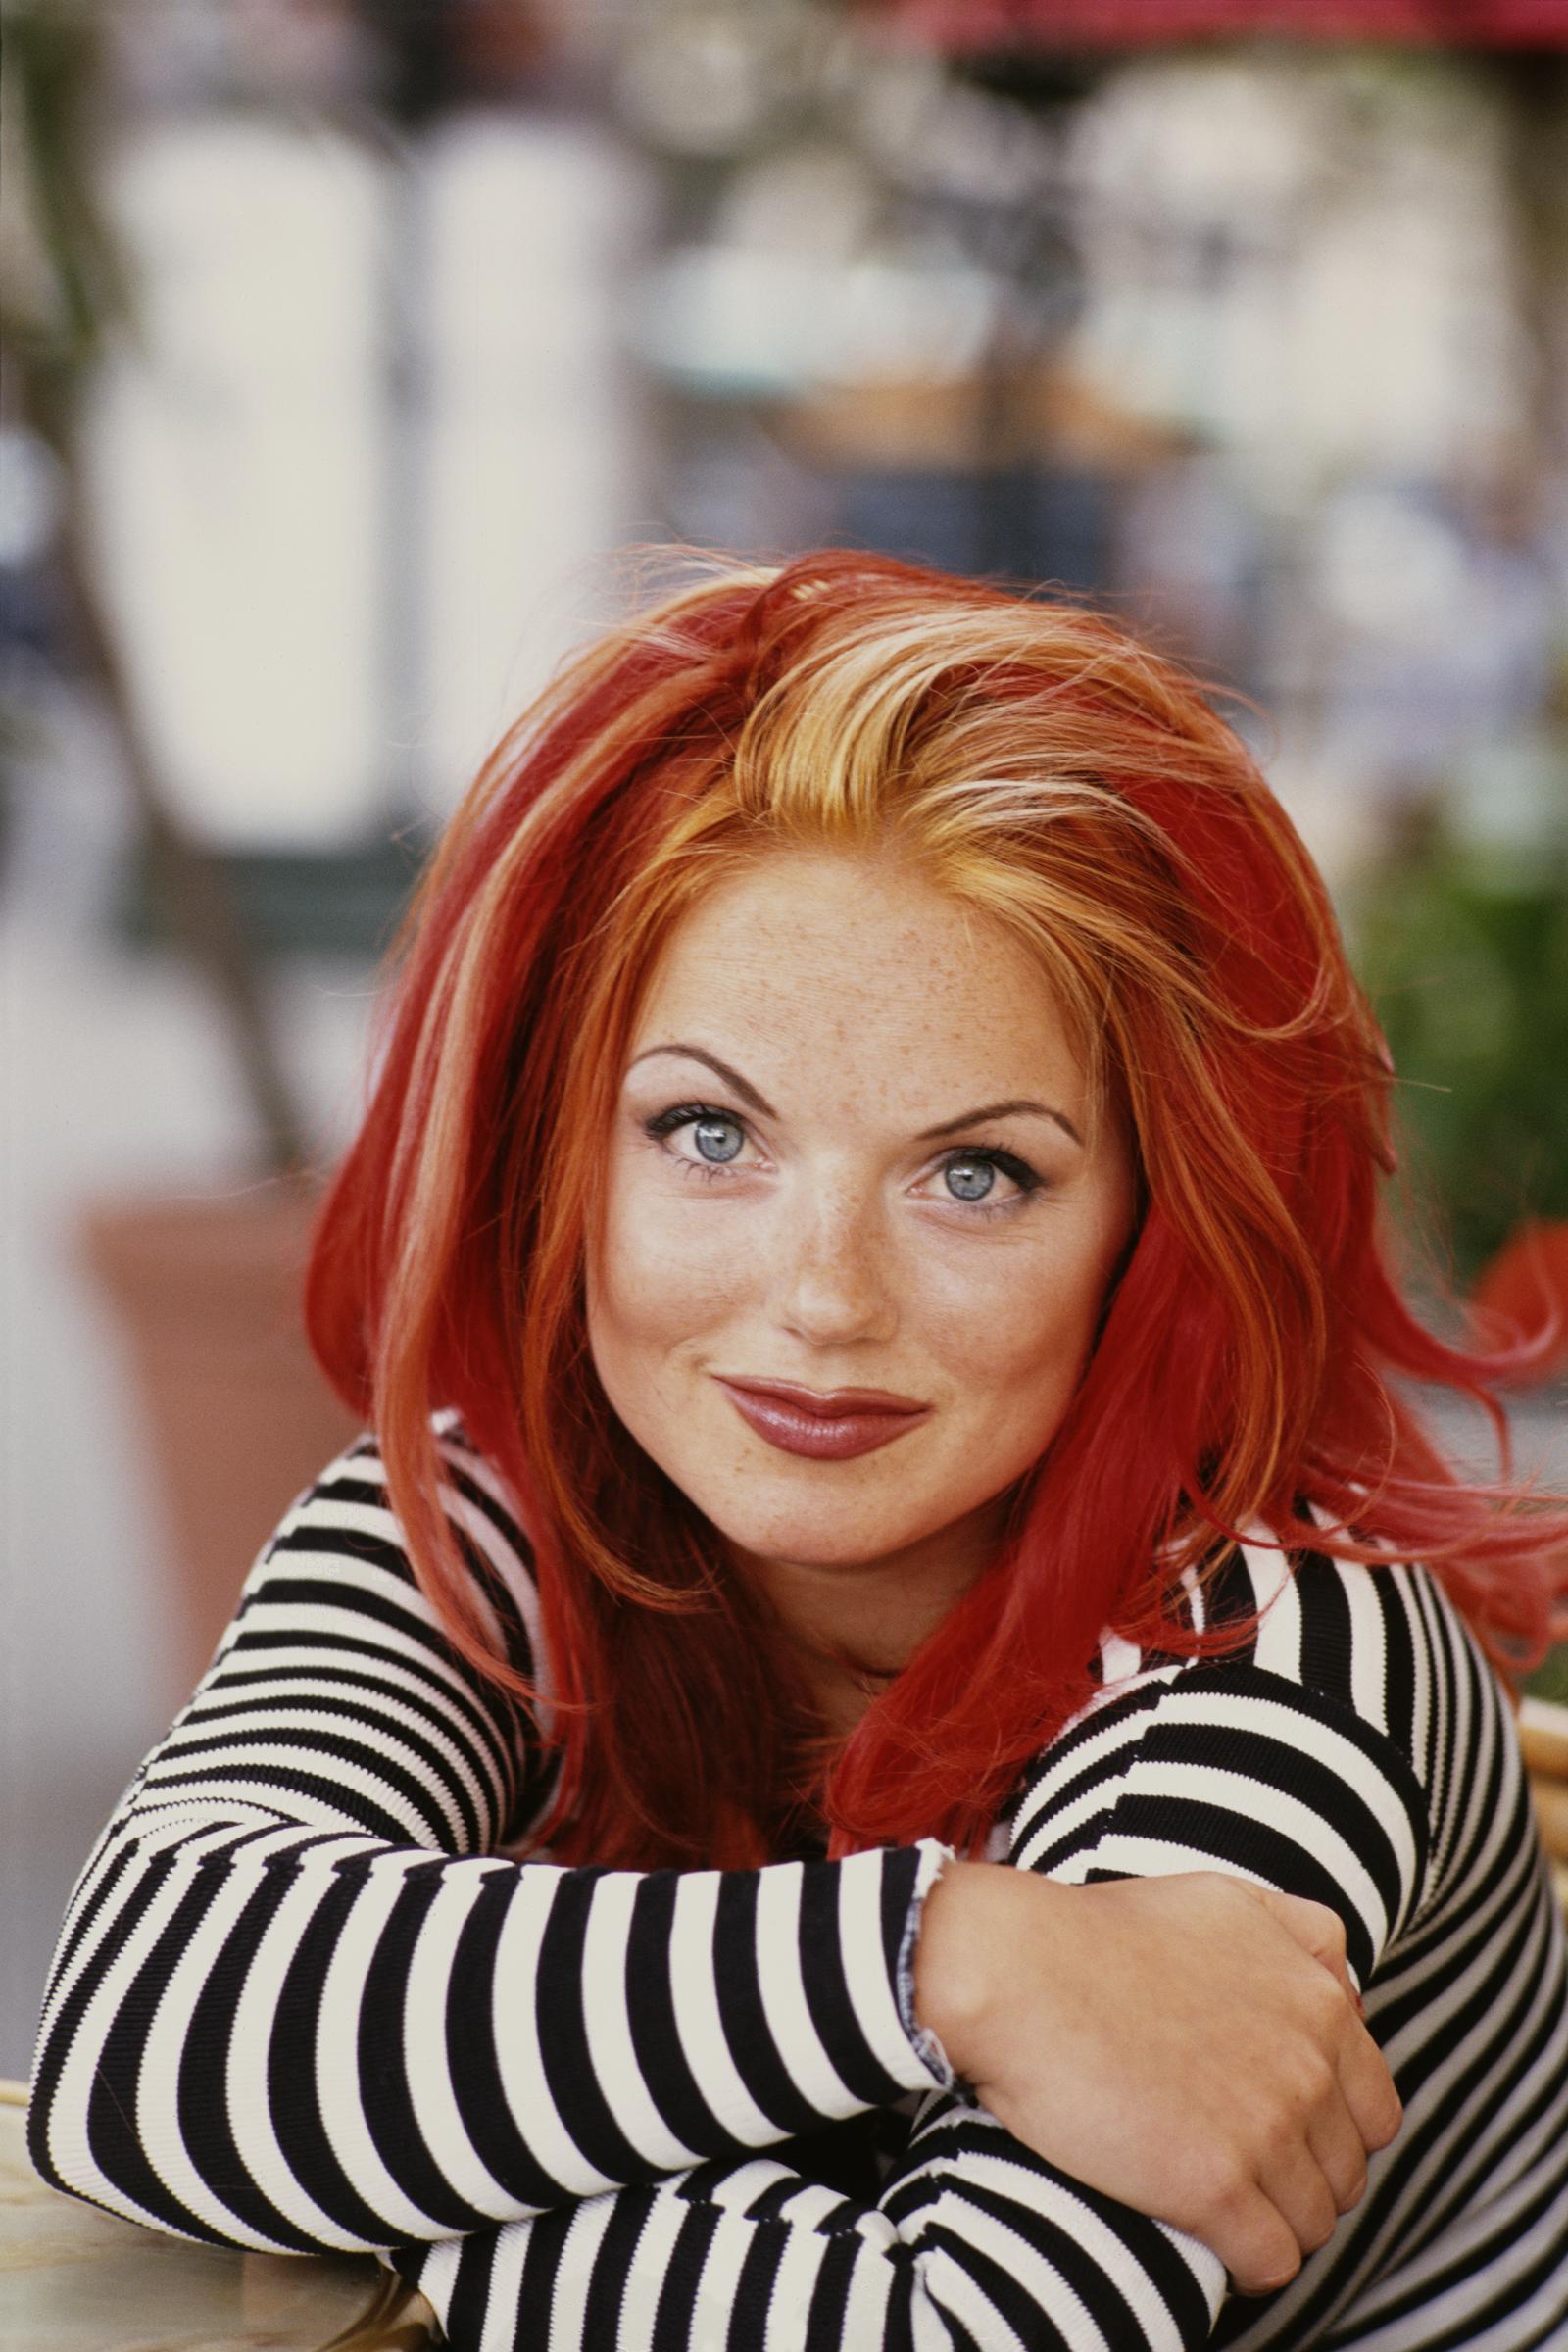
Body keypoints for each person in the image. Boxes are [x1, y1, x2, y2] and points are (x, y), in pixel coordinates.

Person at [27, 553, 1568, 2350]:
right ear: (562, 1153)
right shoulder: (499, 1504)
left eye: (977, 1173)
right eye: (706, 1133)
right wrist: (951, 1960)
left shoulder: (1285, 1652)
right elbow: (148, 2018)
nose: (823, 1297)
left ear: (1157, 1231)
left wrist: (376, 2164)